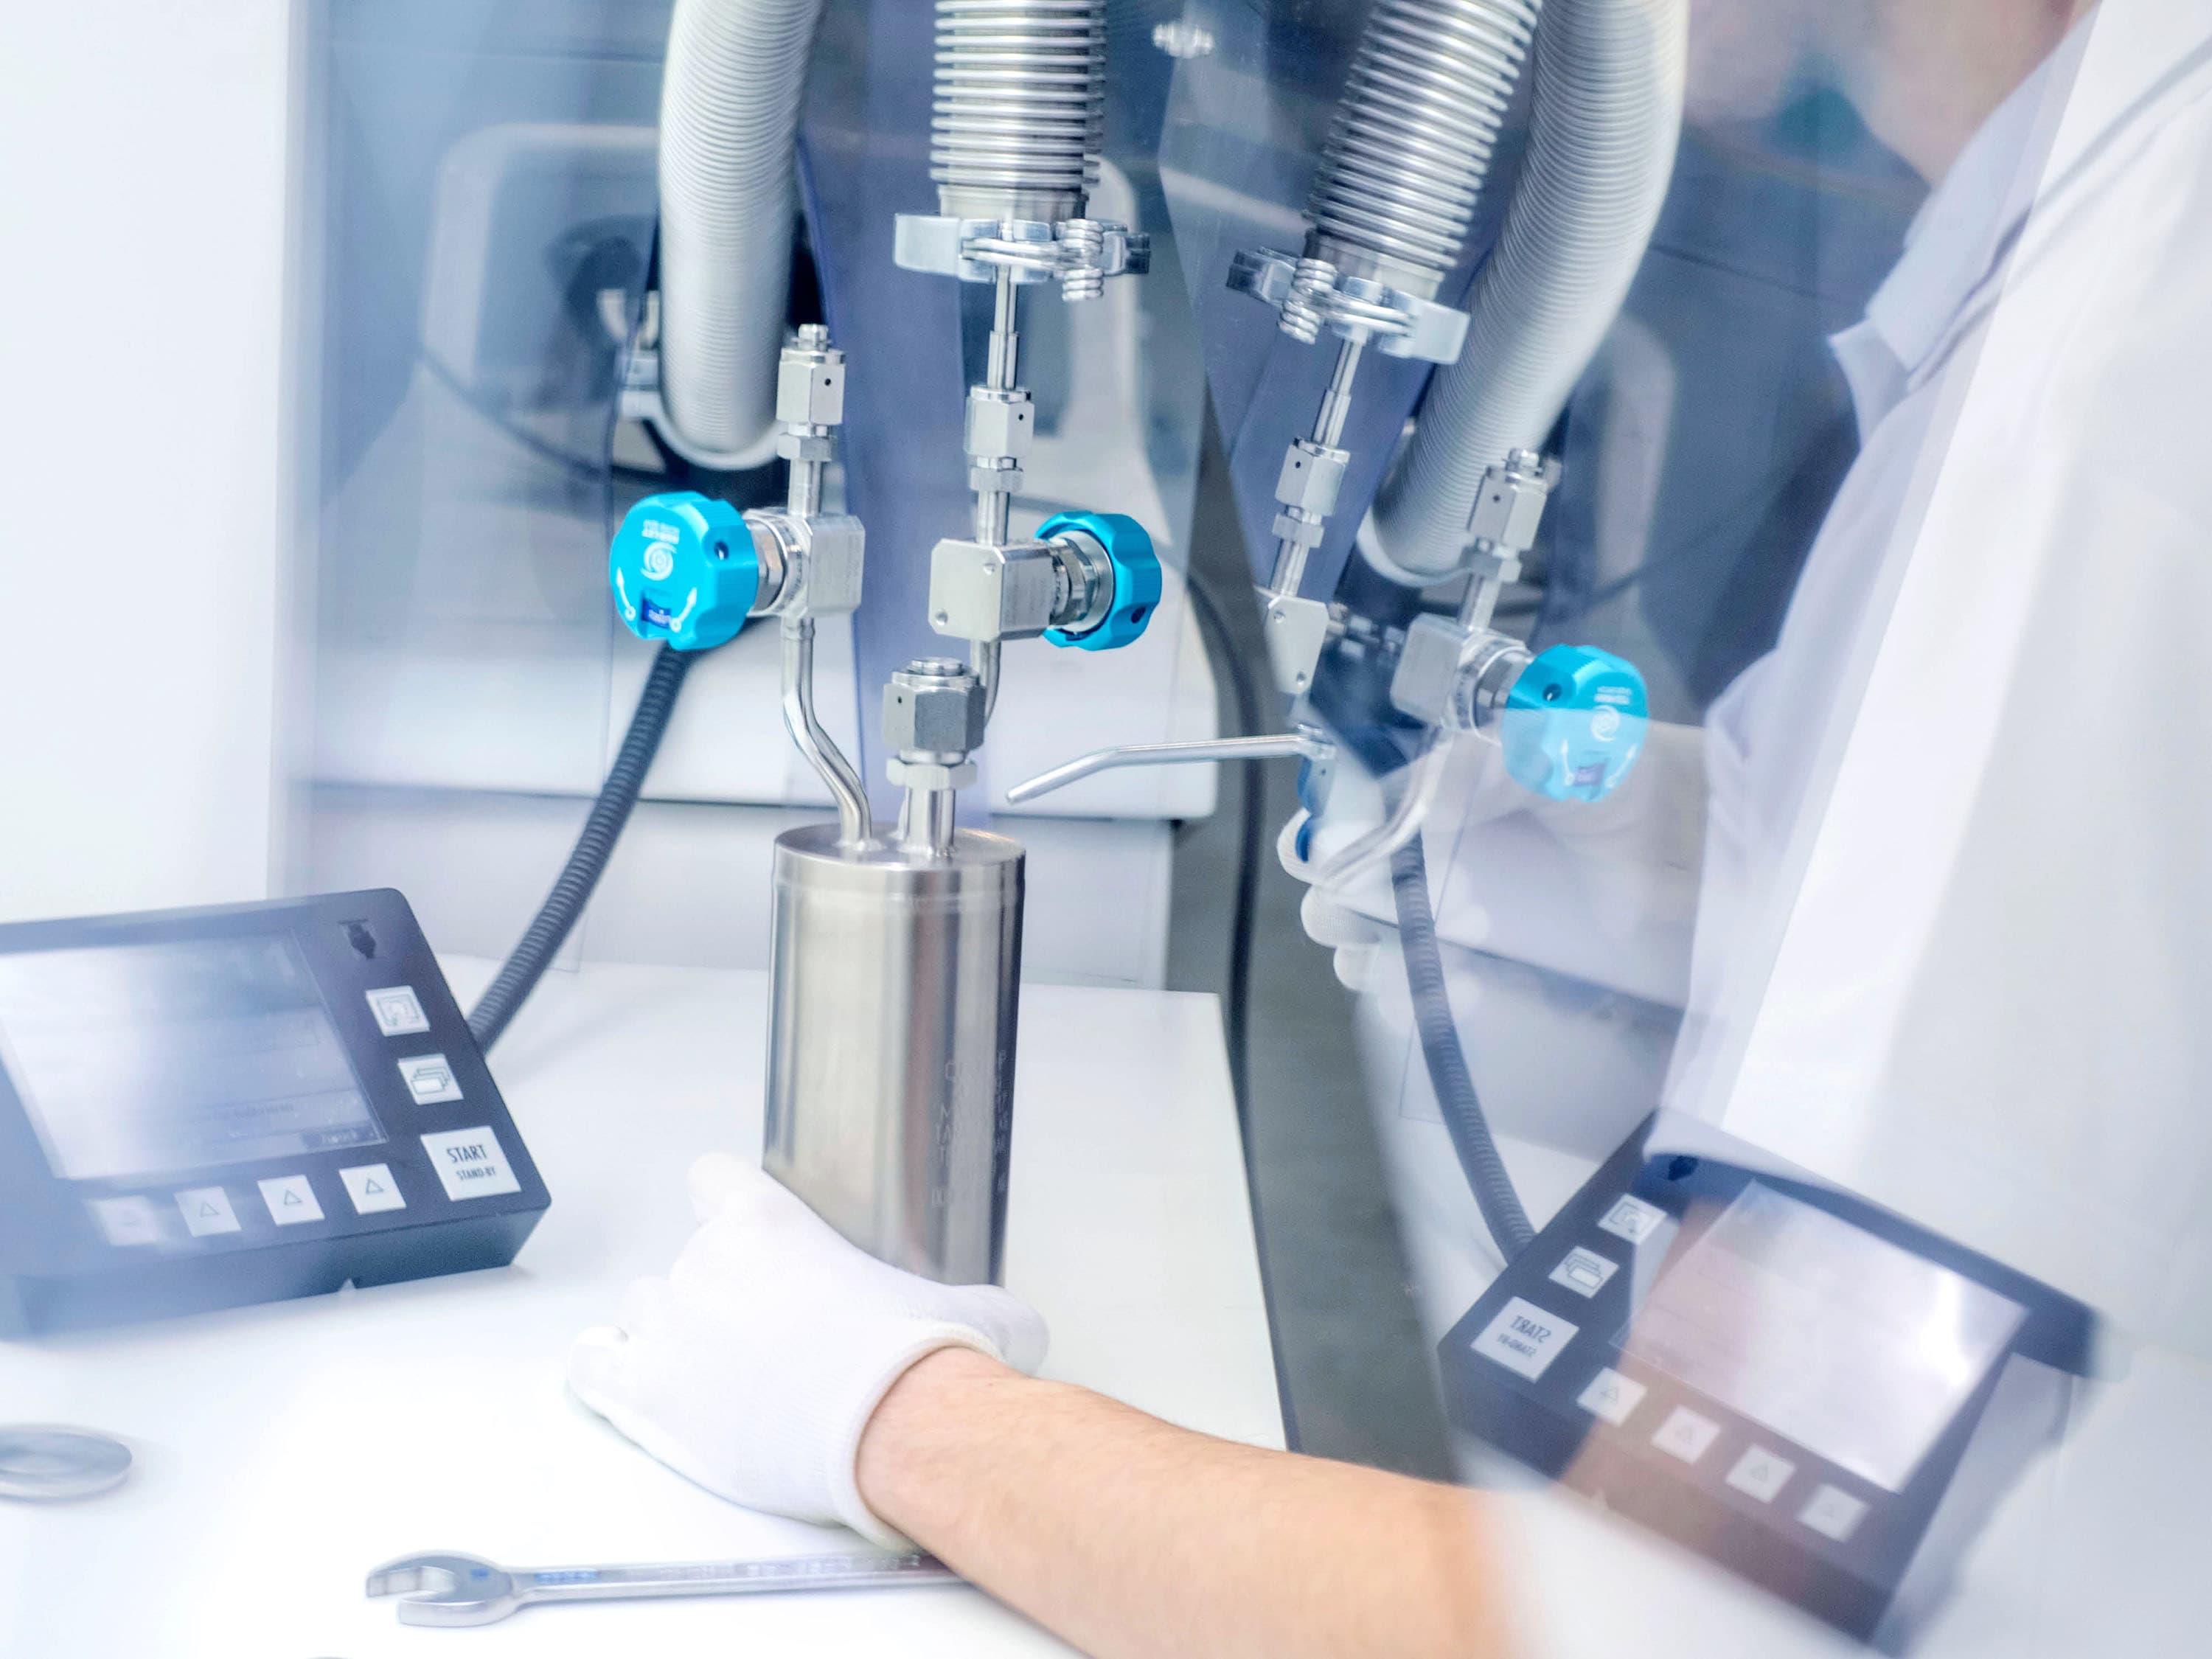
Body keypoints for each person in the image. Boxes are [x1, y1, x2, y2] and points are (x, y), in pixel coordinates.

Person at [568, 0, 2212, 1651]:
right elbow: (2014, 923)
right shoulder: (2086, 245)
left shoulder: (2117, 385)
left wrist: (890, 1414)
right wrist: (1672, 845)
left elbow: (1669, 1620)